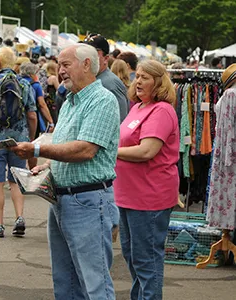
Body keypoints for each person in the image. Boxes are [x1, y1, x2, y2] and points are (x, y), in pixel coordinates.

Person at [11, 44, 120, 299]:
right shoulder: (71, 100)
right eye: (59, 65)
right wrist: (47, 166)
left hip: (88, 201)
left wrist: (38, 152)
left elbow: (85, 150)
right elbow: (65, 144)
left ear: (86, 65)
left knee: (95, 284)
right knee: (66, 281)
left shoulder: (102, 100)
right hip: (64, 199)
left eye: (65, 64)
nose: (60, 71)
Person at [114, 60, 179, 300]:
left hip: (149, 196)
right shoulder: (138, 107)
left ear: (158, 83)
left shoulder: (161, 110)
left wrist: (109, 152)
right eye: (137, 76)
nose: (138, 81)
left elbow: (146, 151)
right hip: (128, 195)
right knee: (133, 259)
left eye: (145, 78)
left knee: (147, 261)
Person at [0, 47, 37, 238]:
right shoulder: (24, 84)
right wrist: (30, 137)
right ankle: (19, 218)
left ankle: (0, 225)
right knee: (16, 179)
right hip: (19, 138)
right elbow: (32, 114)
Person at [84, 34, 129, 123]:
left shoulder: (110, 84)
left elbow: (119, 122)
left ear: (106, 58)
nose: (88, 57)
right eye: (85, 52)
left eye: (94, 53)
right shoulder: (94, 79)